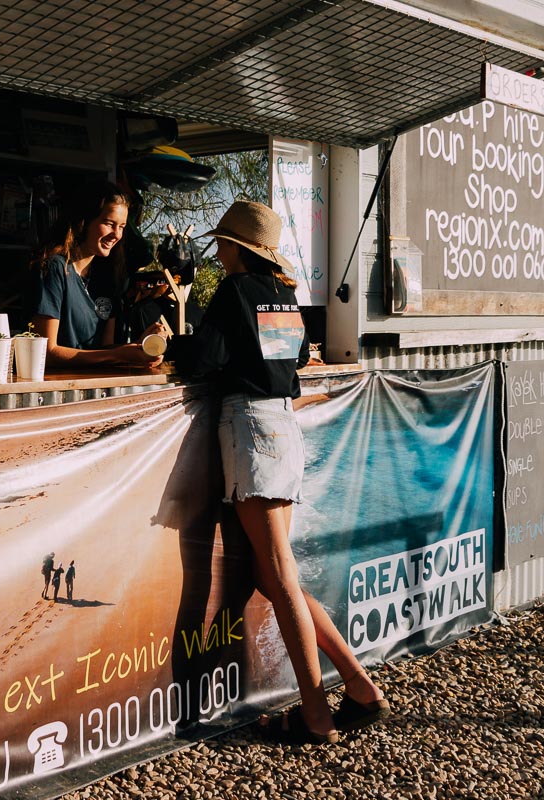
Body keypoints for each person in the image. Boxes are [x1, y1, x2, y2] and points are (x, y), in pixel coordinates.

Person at [174, 201, 390, 745]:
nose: (218, 253)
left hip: (251, 428)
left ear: (236, 247)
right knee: (272, 577)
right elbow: (292, 362)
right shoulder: (285, 295)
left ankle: (316, 714)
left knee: (280, 576)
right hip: (283, 428)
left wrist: (173, 340)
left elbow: (202, 360)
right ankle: (359, 684)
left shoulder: (234, 291)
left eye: (222, 244)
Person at [28, 182, 163, 369]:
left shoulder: (106, 277)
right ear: (83, 221)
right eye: (109, 224)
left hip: (94, 384)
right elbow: (45, 353)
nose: (116, 235)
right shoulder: (54, 269)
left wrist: (140, 347)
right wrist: (118, 354)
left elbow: (103, 350)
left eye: (122, 226)